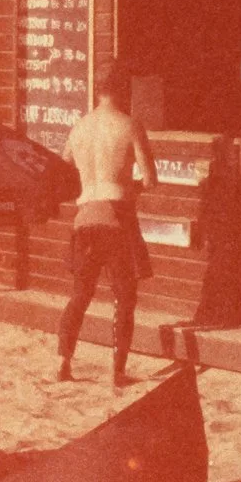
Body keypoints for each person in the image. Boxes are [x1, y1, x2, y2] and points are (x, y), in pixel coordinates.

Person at [56, 62, 157, 385]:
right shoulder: (129, 125)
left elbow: (64, 174)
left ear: (96, 89)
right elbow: (150, 179)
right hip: (118, 215)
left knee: (80, 294)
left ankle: (63, 361)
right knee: (123, 296)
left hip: (85, 215)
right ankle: (117, 370)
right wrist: (130, 188)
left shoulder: (79, 128)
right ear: (123, 90)